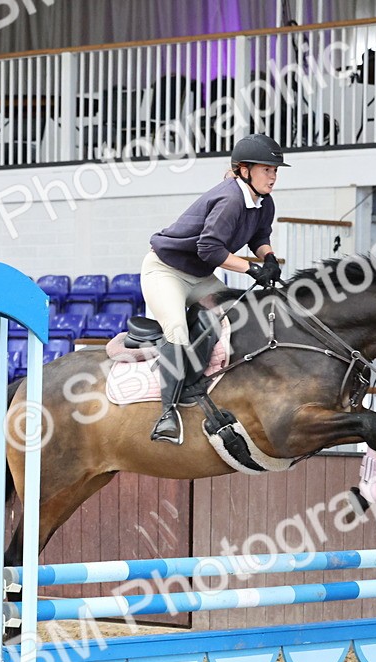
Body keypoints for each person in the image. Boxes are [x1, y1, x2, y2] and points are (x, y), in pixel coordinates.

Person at [141, 133, 289, 445]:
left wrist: (270, 258)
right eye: (267, 170)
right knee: (178, 329)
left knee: (235, 317)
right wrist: (251, 268)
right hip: (166, 272)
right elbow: (209, 248)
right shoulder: (231, 200)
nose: (273, 176)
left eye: (275, 171)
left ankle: (203, 382)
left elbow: (259, 236)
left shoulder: (263, 202)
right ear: (245, 170)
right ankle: (168, 413)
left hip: (200, 277)